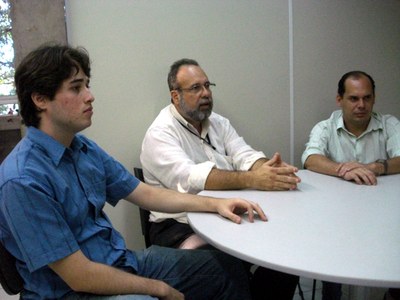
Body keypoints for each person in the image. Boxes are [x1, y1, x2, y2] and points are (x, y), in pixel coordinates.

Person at [0, 44, 268, 300]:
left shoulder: (82, 148)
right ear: (40, 99)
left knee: (224, 269)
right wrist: (158, 288)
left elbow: (146, 194)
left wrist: (216, 204)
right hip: (70, 291)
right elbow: (79, 276)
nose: (90, 95)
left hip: (118, 261)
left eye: (87, 85)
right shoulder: (23, 180)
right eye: (76, 88)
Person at [140, 58, 301, 299]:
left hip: (224, 213)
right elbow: (193, 178)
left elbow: (244, 154)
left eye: (207, 85)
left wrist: (267, 169)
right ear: (175, 96)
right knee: (228, 267)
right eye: (196, 88)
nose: (205, 93)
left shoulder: (218, 122)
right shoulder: (160, 133)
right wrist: (253, 179)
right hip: (178, 225)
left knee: (285, 254)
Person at [301, 70, 400, 300]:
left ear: (374, 98)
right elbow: (310, 158)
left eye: (367, 98)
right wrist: (343, 169)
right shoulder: (325, 127)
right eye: (354, 98)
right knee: (332, 261)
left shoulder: (389, 124)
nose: (361, 105)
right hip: (337, 219)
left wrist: (375, 167)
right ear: (340, 100)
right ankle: (332, 292)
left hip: (382, 216)